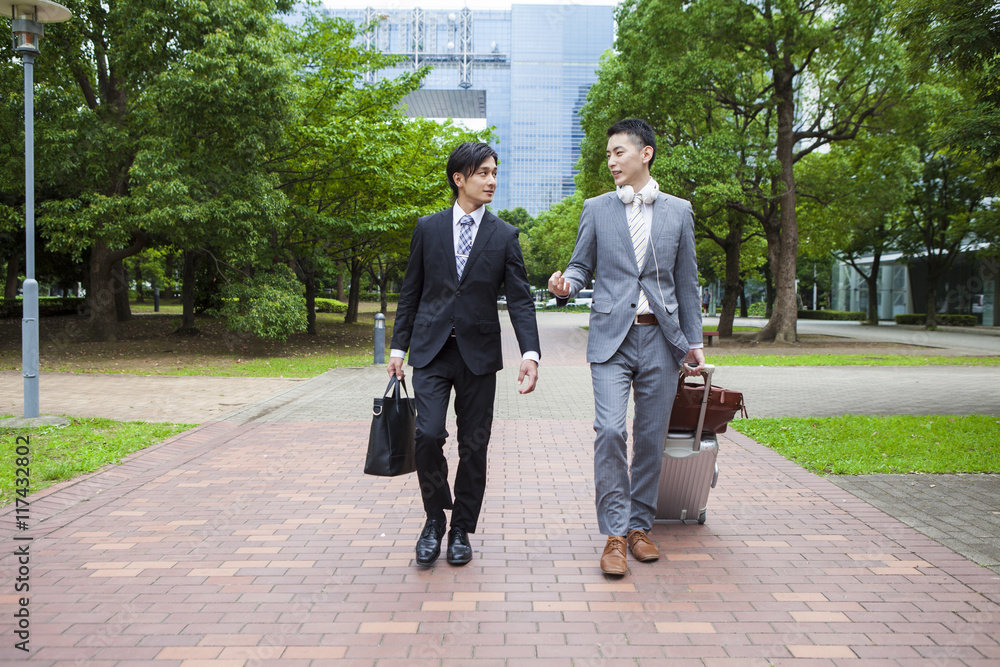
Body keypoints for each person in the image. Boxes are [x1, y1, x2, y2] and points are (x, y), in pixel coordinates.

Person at [548, 118, 705, 576]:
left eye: (619, 152)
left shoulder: (679, 210)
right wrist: (565, 284)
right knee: (612, 431)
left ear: (646, 153)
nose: (611, 161)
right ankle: (614, 535)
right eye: (609, 154)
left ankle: (640, 528)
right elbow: (580, 266)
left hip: (662, 338)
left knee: (650, 439)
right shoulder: (596, 209)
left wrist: (693, 342)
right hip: (611, 339)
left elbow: (687, 282)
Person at [389, 142, 540, 567]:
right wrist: (399, 347)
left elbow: (521, 300)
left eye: (495, 172)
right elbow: (411, 293)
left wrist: (530, 352)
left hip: (478, 356)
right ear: (460, 179)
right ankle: (435, 518)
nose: (492, 180)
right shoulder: (428, 228)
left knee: (475, 446)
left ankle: (461, 530)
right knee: (428, 435)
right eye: (483, 173)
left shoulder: (504, 234)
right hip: (432, 352)